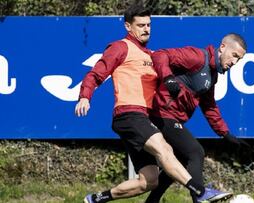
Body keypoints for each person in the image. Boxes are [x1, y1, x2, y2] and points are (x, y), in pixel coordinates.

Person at [75, 4, 229, 203]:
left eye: (149, 24)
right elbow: (96, 73)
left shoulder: (151, 56)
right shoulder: (121, 47)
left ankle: (95, 199)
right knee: (164, 148)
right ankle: (200, 192)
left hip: (144, 118)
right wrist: (85, 96)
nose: (146, 28)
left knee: (148, 181)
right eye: (141, 25)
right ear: (128, 27)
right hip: (129, 114)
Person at [145, 33, 248, 203]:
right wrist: (168, 78)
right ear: (222, 47)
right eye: (234, 56)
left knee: (179, 162)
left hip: (172, 118)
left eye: (239, 60)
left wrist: (225, 134)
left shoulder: (213, 75)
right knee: (195, 152)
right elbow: (159, 55)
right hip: (161, 113)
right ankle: (200, 198)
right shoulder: (197, 57)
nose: (235, 63)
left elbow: (209, 106)